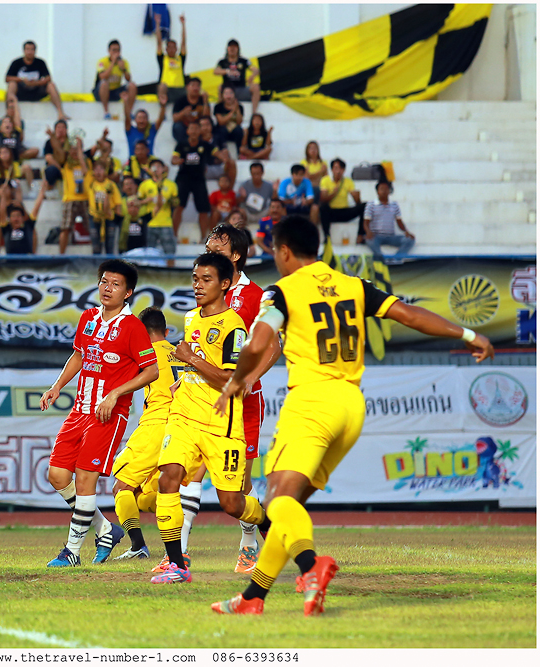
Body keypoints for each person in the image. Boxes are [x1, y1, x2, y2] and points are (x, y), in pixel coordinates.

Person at [210, 215, 494, 615]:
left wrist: (236, 381)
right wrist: (468, 334)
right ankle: (253, 598)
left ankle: (311, 566)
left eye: (275, 251)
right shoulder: (354, 286)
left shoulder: (282, 291)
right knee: (289, 508)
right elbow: (409, 314)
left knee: (276, 503)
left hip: (312, 403)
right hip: (351, 407)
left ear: (284, 251)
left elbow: (258, 342)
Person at [150, 252, 267, 584]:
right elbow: (198, 363)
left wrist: (190, 359)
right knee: (168, 479)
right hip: (184, 416)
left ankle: (270, 524)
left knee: (232, 504)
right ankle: (177, 565)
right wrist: (185, 377)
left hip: (221, 425)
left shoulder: (235, 327)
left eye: (206, 280)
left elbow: (233, 382)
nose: (197, 285)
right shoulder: (191, 317)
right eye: (195, 279)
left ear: (225, 284)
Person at [41, 260, 159, 566]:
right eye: (104, 282)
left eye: (116, 284)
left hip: (108, 415)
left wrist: (116, 394)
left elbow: (152, 371)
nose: (107, 288)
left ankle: (72, 552)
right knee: (57, 476)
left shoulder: (132, 327)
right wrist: (57, 386)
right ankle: (105, 529)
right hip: (79, 410)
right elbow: (79, 355)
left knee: (84, 481)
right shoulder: (88, 317)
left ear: (128, 292)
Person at [204, 225, 282, 573]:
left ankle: (249, 543)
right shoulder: (205, 289)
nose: (208, 258)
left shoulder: (255, 296)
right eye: (207, 251)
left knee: (238, 480)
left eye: (216, 252)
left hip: (244, 402)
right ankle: (176, 556)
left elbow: (274, 346)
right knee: (185, 474)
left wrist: (250, 378)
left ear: (235, 256)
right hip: (204, 398)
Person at [110, 307, 185, 560]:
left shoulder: (145, 353)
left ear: (142, 334)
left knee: (122, 486)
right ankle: (184, 514)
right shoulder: (182, 353)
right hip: (180, 425)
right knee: (147, 497)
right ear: (166, 331)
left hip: (156, 424)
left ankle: (137, 546)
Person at [171, 119, 213, 240]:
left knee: (203, 209)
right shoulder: (181, 145)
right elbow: (173, 159)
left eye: (196, 128)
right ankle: (174, 236)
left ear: (200, 131)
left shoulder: (205, 145)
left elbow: (217, 153)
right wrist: (176, 161)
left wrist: (224, 156)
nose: (194, 131)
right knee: (178, 207)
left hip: (199, 179)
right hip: (183, 178)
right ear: (187, 131)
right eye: (191, 128)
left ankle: (203, 238)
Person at [5, 41, 68, 121]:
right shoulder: (16, 63)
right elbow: (7, 78)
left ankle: (60, 113)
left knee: (51, 85)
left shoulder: (40, 62)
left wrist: (37, 83)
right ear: (24, 51)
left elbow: (48, 78)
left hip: (36, 90)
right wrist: (22, 80)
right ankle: (9, 113)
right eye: (27, 49)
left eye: (32, 49)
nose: (29, 52)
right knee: (12, 84)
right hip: (21, 91)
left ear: (35, 51)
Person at [138, 159, 179, 262]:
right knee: (149, 253)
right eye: (153, 167)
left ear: (163, 169)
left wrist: (170, 200)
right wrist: (147, 200)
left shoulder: (171, 185)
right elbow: (138, 202)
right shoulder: (144, 185)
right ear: (150, 170)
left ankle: (170, 271)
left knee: (170, 252)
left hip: (166, 223)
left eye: (159, 167)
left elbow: (176, 203)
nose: (156, 169)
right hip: (150, 223)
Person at [363, 180, 415, 259]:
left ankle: (396, 259)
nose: (384, 191)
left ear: (389, 191)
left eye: (386, 189)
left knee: (410, 240)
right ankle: (381, 260)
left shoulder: (394, 204)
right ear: (377, 192)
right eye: (382, 189)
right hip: (376, 236)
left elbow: (399, 222)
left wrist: (406, 231)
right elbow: (366, 222)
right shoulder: (371, 204)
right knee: (369, 241)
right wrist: (368, 232)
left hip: (391, 237)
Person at [319, 159, 364, 243]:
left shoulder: (348, 181)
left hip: (344, 212)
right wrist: (333, 193)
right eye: (336, 168)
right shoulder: (325, 180)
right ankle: (327, 237)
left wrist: (357, 197)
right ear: (332, 170)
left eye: (341, 169)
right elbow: (323, 199)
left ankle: (360, 235)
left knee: (365, 206)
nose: (338, 171)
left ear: (343, 170)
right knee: (323, 207)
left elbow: (358, 203)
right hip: (331, 212)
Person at [213, 39, 261, 116]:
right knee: (220, 87)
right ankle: (220, 112)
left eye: (234, 47)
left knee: (256, 87)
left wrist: (252, 76)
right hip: (228, 91)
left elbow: (256, 70)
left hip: (241, 89)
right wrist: (227, 71)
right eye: (230, 47)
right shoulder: (222, 62)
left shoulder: (244, 60)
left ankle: (254, 113)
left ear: (238, 49)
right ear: (227, 49)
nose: (232, 49)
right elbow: (215, 71)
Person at [94, 40, 138, 120]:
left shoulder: (124, 62)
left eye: (118, 50)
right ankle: (106, 112)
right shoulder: (102, 62)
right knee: (104, 83)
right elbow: (102, 77)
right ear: (109, 51)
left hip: (116, 90)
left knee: (132, 85)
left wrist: (124, 69)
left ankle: (129, 112)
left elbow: (128, 79)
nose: (116, 53)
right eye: (113, 50)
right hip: (102, 91)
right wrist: (113, 63)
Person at [88, 161, 123, 255]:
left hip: (109, 218)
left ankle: (109, 264)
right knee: (96, 246)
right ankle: (96, 263)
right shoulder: (91, 183)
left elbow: (118, 202)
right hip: (95, 217)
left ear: (105, 171)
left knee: (110, 246)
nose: (98, 172)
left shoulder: (111, 185)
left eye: (101, 169)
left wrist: (118, 219)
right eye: (96, 169)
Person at [154, 13, 187, 105]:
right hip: (166, 90)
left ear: (176, 49)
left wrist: (183, 24)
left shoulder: (180, 58)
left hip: (179, 89)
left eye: (174, 47)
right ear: (166, 49)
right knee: (161, 87)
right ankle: (162, 106)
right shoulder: (163, 58)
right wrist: (157, 24)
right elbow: (159, 42)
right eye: (169, 47)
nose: (172, 49)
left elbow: (183, 43)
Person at [171, 77, 208, 145]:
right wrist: (183, 112)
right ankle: (184, 145)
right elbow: (175, 118)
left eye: (198, 86)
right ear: (187, 87)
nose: (195, 88)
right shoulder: (180, 100)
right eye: (193, 85)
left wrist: (206, 102)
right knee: (177, 126)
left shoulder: (202, 100)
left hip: (198, 127)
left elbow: (207, 117)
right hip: (185, 127)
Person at [238, 162, 275, 227]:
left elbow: (274, 201)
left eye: (258, 173)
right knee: (239, 211)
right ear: (250, 173)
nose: (256, 176)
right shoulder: (244, 185)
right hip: (247, 213)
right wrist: (242, 197)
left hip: (263, 213)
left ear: (262, 173)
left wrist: (275, 191)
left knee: (274, 209)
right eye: (254, 174)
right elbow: (236, 202)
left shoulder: (269, 186)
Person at [120, 175, 148, 251]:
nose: (129, 186)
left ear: (136, 186)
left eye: (131, 183)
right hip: (125, 242)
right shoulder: (120, 202)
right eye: (126, 184)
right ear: (123, 188)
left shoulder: (143, 202)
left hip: (142, 245)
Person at [213, 85, 245, 149]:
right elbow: (221, 122)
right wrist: (233, 111)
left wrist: (237, 109)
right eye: (226, 94)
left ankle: (240, 151)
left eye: (231, 93)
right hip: (222, 130)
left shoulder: (239, 106)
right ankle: (223, 150)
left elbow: (239, 122)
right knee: (221, 130)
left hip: (234, 130)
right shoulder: (218, 106)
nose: (228, 96)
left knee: (239, 130)